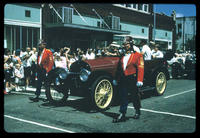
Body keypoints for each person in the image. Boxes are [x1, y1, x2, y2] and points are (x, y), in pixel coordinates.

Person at [113, 36, 144, 123]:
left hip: (132, 78)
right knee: (123, 96)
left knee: (134, 96)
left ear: (131, 44)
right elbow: (119, 69)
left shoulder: (138, 55)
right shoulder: (122, 56)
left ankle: (137, 110)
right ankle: (122, 113)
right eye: (124, 44)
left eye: (126, 44)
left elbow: (141, 67)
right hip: (123, 78)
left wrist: (139, 80)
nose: (125, 45)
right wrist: (116, 79)